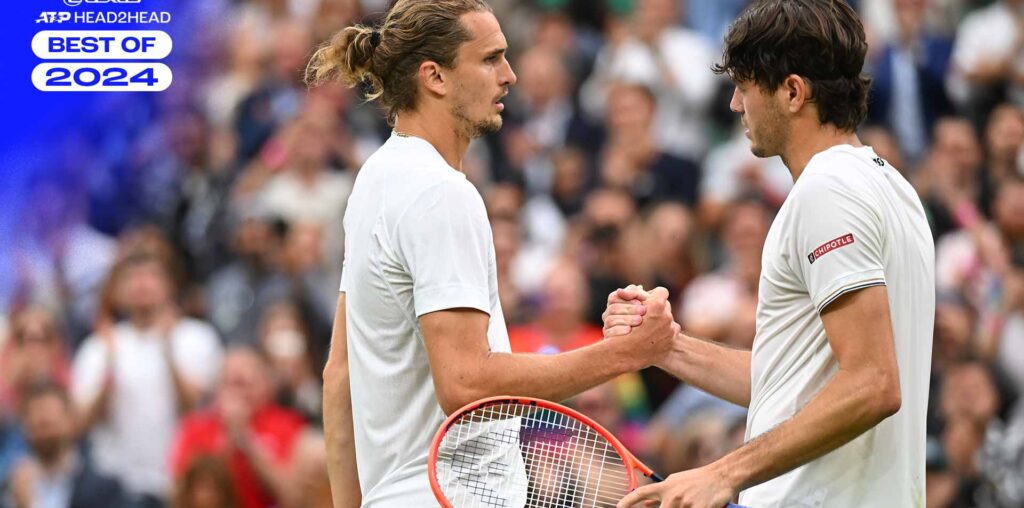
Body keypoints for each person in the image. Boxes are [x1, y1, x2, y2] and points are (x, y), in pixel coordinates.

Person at [305, 1, 679, 505]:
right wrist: (623, 354)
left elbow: (339, 376)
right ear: (434, 76)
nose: (510, 75)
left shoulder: (375, 178)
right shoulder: (441, 192)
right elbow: (464, 384)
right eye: (490, 59)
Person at [607, 1, 935, 506]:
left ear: (793, 92)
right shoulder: (890, 185)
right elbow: (793, 386)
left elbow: (873, 383)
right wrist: (666, 347)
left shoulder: (828, 190)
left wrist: (724, 472)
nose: (736, 105)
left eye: (744, 87)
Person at [6, 382, 125, 508]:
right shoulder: (12, 489)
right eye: (38, 426)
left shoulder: (103, 490)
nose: (45, 434)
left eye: (50, 424)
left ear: (70, 422)